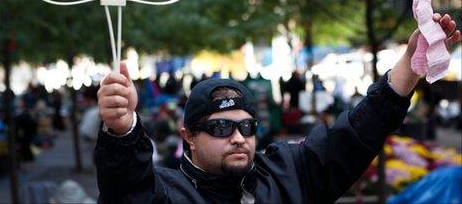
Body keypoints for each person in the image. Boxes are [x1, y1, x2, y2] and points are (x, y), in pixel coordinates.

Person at [95, 14, 460, 203]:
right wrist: (122, 130)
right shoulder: (166, 192)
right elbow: (127, 187)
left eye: (247, 127)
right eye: (221, 128)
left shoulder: (288, 173)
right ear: (188, 136)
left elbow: (357, 131)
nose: (238, 137)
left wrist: (410, 66)